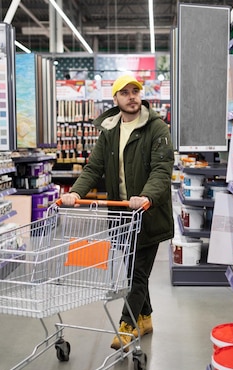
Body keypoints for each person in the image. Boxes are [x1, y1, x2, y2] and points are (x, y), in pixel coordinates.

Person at [60, 74, 174, 351]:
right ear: (116, 98)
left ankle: (128, 323)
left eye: (135, 91)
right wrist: (76, 192)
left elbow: (162, 169)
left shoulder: (157, 128)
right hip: (120, 215)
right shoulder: (109, 130)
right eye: (125, 92)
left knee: (136, 274)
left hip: (148, 214)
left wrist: (146, 196)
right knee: (134, 271)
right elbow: (93, 168)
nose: (131, 96)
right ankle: (145, 318)